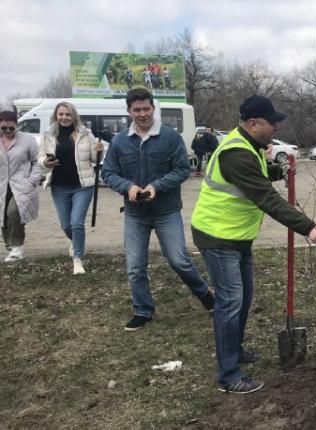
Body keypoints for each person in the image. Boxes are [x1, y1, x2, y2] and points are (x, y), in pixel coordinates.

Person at [191, 95, 316, 394]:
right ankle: (229, 375)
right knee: (230, 302)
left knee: (243, 298)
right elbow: (266, 198)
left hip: (237, 236)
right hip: (218, 237)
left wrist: (275, 170)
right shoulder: (237, 153)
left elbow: (255, 178)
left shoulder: (249, 146)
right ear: (254, 123)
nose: (277, 128)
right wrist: (308, 227)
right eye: (273, 123)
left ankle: (236, 349)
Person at [102, 89, 214, 331]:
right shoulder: (120, 141)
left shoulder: (170, 137)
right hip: (135, 215)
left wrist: (156, 186)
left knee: (179, 260)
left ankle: (205, 295)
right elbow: (108, 173)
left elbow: (183, 169)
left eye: (146, 108)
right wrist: (127, 186)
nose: (142, 114)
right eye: (136, 110)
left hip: (166, 211)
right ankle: (143, 310)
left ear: (153, 108)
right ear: (129, 111)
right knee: (135, 266)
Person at [39, 102, 104, 274]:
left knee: (76, 223)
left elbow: (94, 160)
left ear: (73, 116)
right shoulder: (48, 135)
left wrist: (99, 151)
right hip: (59, 187)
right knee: (66, 225)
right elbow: (41, 159)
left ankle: (78, 260)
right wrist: (45, 162)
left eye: (68, 114)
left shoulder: (85, 134)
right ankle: (75, 242)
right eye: (61, 114)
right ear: (56, 115)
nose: (64, 117)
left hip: (82, 186)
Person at [0, 111, 43, 263]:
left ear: (16, 126)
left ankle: (17, 247)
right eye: (3, 128)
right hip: (2, 185)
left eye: (11, 128)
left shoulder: (27, 140)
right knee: (3, 216)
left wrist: (32, 180)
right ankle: (10, 248)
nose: (7, 131)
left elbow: (38, 161)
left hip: (22, 185)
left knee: (14, 212)